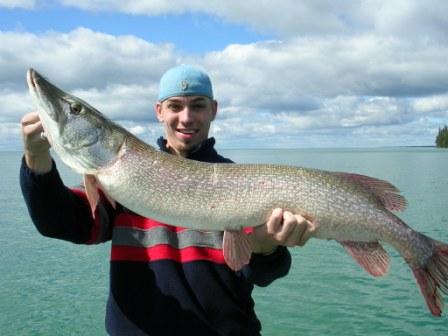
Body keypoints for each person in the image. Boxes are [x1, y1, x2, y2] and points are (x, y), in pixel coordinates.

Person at [20, 64, 315, 335]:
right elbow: (59, 222)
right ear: (159, 111)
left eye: (197, 106)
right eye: (175, 106)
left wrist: (266, 248)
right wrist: (36, 157)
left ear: (213, 110)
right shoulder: (115, 185)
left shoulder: (241, 182)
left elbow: (262, 273)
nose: (186, 117)